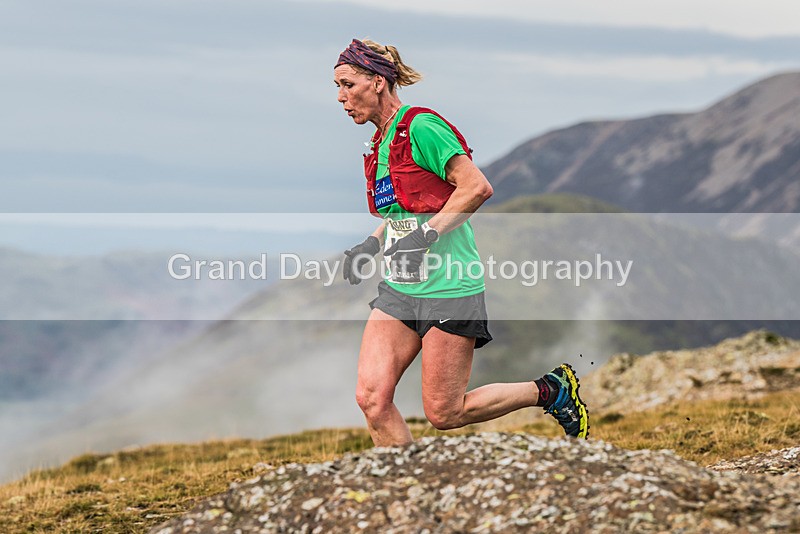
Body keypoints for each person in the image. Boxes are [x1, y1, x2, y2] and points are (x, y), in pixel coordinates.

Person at [334, 38, 589, 446]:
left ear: (378, 81)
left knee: (445, 413)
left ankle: (550, 389)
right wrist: (370, 244)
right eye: (337, 88)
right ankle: (407, 494)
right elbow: (401, 212)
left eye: (347, 85)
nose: (342, 98)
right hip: (401, 288)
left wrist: (426, 236)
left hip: (450, 287)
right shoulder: (381, 141)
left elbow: (476, 187)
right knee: (372, 399)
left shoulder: (422, 126)